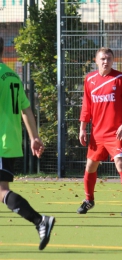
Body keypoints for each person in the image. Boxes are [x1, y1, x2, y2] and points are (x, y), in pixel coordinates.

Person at [0, 36, 55, 250]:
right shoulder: (12, 76)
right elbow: (26, 109)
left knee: (2, 190)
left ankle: (40, 221)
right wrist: (34, 137)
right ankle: (40, 221)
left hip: (1, 144)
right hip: (10, 143)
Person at [77, 47, 122, 216]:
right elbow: (86, 106)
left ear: (113, 61)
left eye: (109, 58)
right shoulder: (89, 79)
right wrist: (82, 128)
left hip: (116, 132)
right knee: (90, 166)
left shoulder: (120, 78)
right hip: (97, 133)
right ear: (96, 60)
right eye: (102, 58)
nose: (106, 61)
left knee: (121, 164)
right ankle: (89, 200)